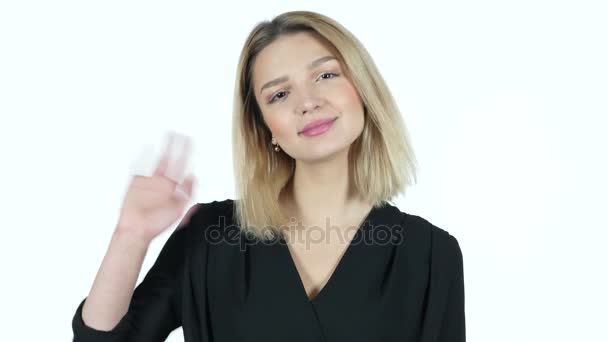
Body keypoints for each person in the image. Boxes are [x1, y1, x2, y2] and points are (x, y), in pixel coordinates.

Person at [71, 10, 465, 342]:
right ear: (265, 128)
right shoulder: (210, 234)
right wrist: (130, 235)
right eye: (279, 94)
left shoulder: (431, 255)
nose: (308, 102)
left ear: (363, 89)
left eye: (326, 75)